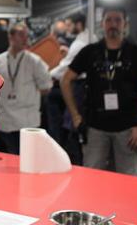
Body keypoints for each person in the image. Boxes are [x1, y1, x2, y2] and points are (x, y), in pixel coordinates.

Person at [61, 7, 137, 176]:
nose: (112, 24)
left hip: (128, 129)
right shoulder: (90, 52)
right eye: (108, 20)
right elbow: (65, 80)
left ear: (125, 24)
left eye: (117, 20)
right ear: (102, 24)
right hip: (95, 127)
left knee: (129, 180)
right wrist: (75, 116)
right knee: (91, 177)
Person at [0, 23, 52, 154]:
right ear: (11, 37)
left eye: (26, 35)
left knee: (28, 156)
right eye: (21, 35)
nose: (25, 38)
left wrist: (28, 95)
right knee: (12, 157)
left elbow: (46, 87)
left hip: (28, 120)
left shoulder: (34, 60)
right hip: (6, 120)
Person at [47, 12, 96, 164]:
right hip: (86, 87)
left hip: (79, 88)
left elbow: (65, 69)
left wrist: (45, 75)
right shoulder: (90, 37)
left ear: (79, 24)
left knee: (73, 130)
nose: (67, 28)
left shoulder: (79, 44)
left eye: (69, 24)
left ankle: (73, 161)